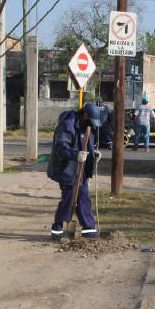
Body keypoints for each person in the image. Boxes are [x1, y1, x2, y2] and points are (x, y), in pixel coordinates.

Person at [48, 102, 102, 240]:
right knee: (69, 198)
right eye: (90, 120)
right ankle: (58, 229)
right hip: (67, 168)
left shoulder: (87, 126)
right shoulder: (67, 125)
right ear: (84, 115)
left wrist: (93, 153)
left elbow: (87, 144)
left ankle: (89, 229)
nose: (92, 124)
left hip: (81, 169)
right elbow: (60, 148)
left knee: (83, 198)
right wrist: (75, 154)